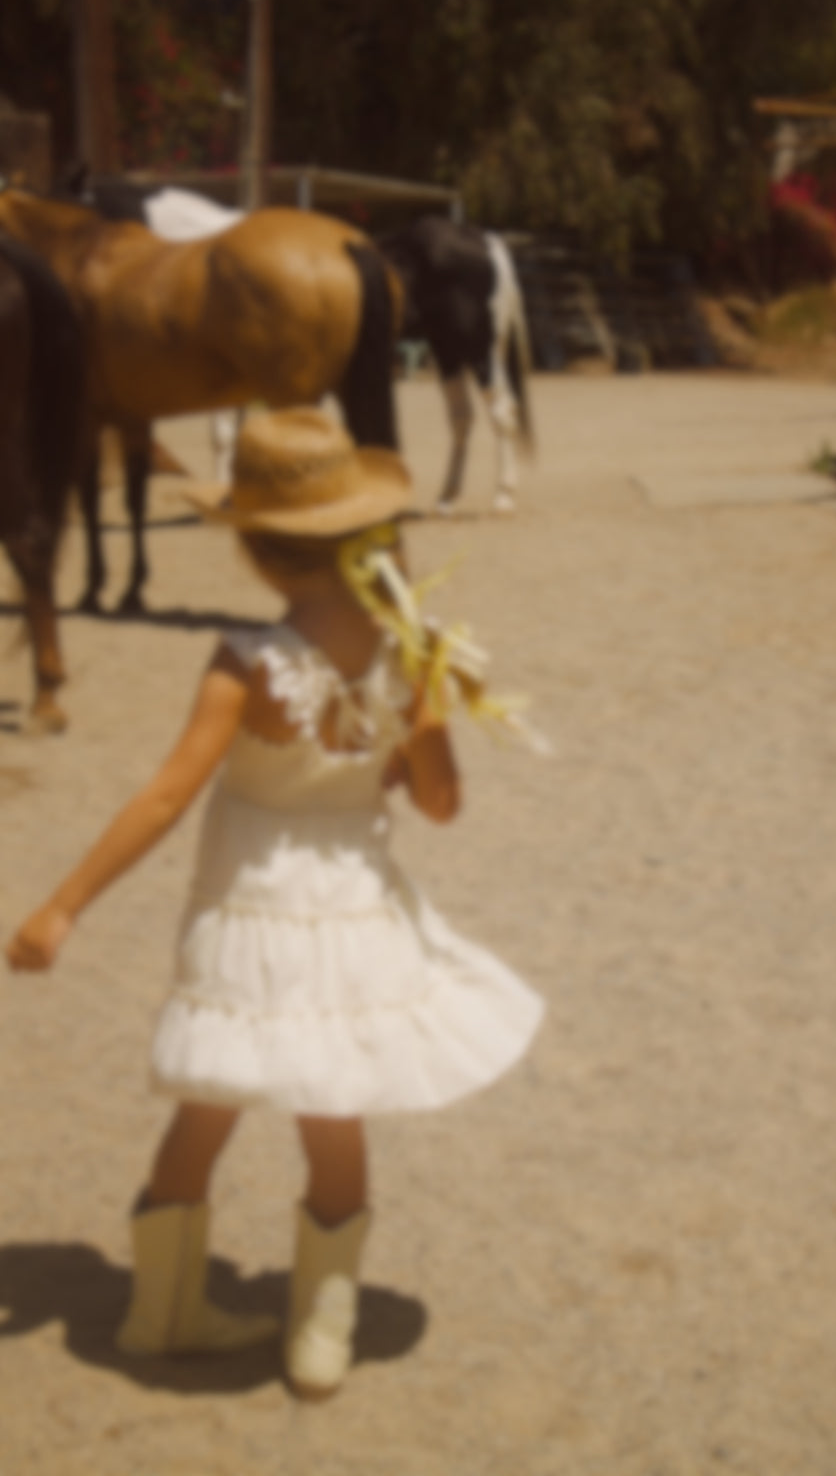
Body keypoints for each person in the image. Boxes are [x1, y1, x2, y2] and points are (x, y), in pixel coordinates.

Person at [4, 408, 544, 1400]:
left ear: (252, 549)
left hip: (245, 903)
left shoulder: (244, 658)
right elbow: (440, 803)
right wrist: (394, 754)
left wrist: (63, 905)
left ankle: (161, 1314)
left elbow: (167, 795)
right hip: (348, 906)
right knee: (333, 1109)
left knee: (207, 1102)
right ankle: (321, 1336)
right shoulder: (414, 648)